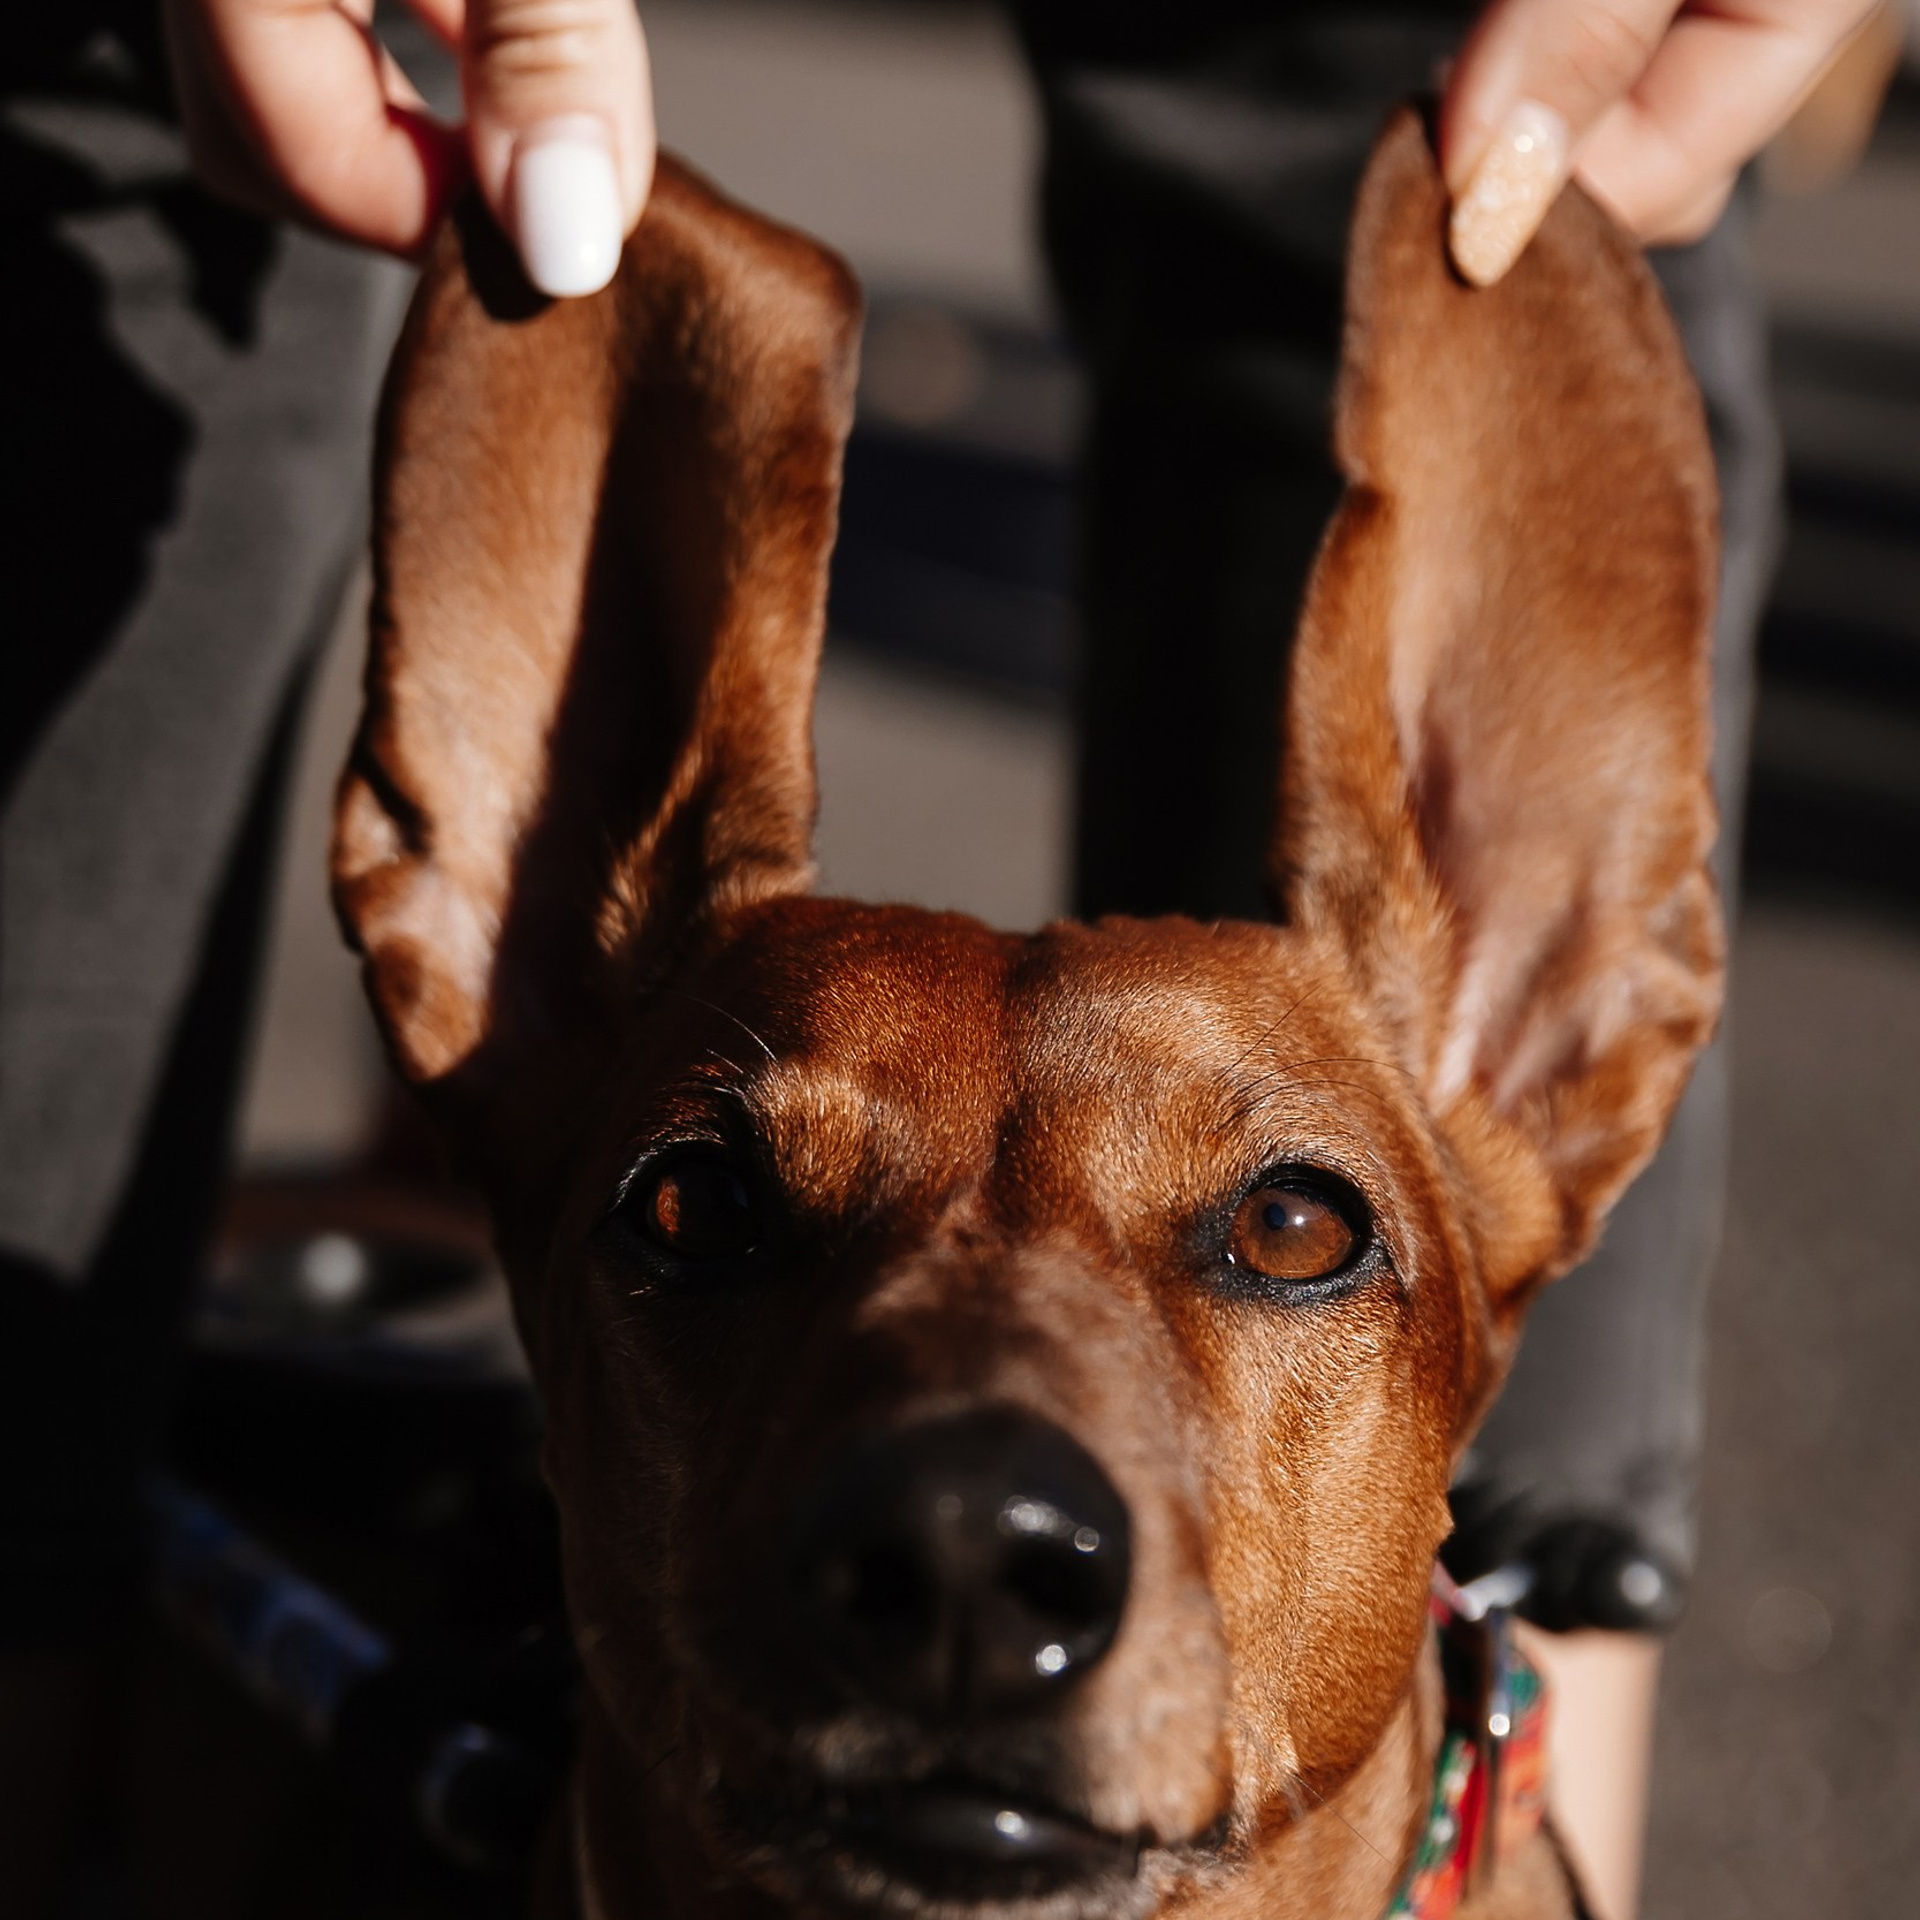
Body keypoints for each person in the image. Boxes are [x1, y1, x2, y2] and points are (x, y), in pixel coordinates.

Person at [0, 1, 1879, 1916]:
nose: (967, 1514)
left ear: (1542, 1008)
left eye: (1288, 1235)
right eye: (712, 1220)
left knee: (1447, 59)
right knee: (148, 103)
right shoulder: (571, 1014)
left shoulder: (1481, 1058)